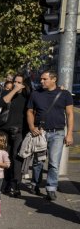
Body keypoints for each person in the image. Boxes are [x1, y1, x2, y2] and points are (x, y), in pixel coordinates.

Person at [26, 70, 74, 201]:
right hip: (40, 132)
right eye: (41, 79)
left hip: (57, 133)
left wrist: (69, 134)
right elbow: (30, 111)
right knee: (38, 161)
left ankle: (51, 188)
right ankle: (35, 183)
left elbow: (70, 114)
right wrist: (31, 127)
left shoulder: (64, 94)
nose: (41, 81)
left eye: (44, 79)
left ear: (54, 79)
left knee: (54, 163)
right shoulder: (35, 94)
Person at [0, 73, 31, 197]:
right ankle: (5, 183)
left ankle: (15, 185)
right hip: (5, 130)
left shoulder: (28, 96)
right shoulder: (7, 93)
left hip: (20, 131)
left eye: (19, 82)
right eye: (15, 81)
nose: (16, 84)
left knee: (17, 158)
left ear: (24, 84)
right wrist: (14, 90)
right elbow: (3, 103)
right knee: (6, 157)